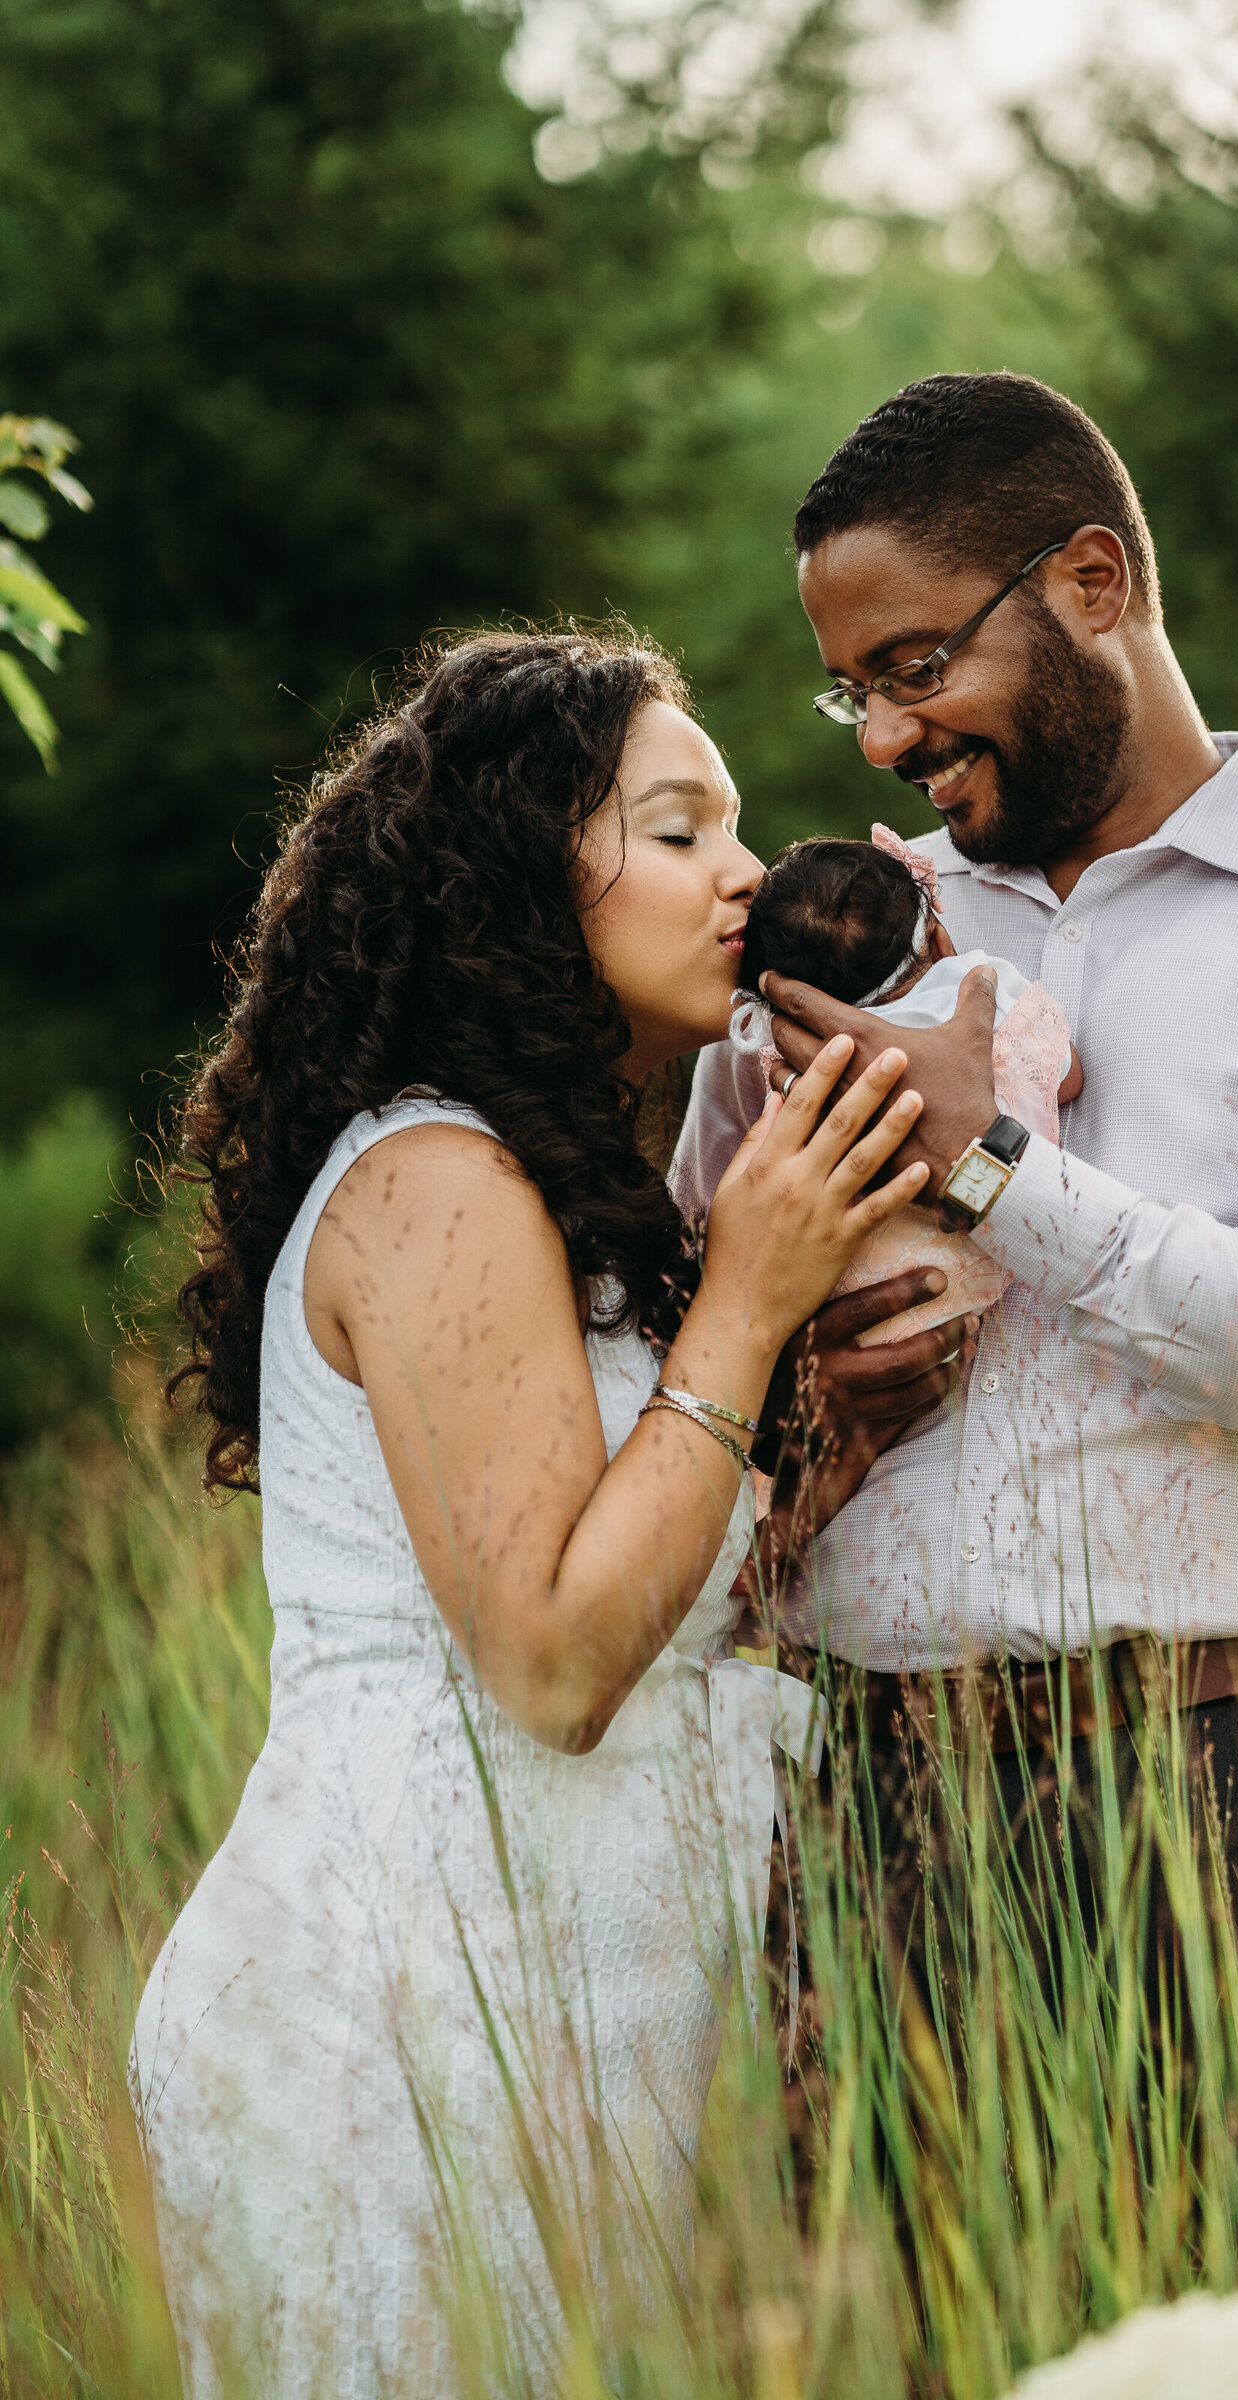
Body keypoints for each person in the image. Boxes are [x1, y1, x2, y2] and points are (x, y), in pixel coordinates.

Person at [129, 627, 954, 2399]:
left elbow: (637, 1581)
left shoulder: (556, 1189)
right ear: (518, 872)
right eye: (679, 829)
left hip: (556, 2012)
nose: (743, 873)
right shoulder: (436, 1176)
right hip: (400, 2026)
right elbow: (558, 1663)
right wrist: (751, 1290)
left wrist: (824, 1455)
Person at [672, 372, 1238, 2084]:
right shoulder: (829, 939)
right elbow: (683, 1315)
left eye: (916, 669)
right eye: (854, 696)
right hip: (864, 1809)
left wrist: (994, 1170)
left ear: (1090, 583)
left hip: (1223, 1802)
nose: (890, 737)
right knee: (885, 2349)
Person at [729, 821, 1080, 1345]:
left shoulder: (806, 1056)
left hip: (848, 1296)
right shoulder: (982, 984)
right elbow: (1068, 1078)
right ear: (935, 931)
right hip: (982, 1264)